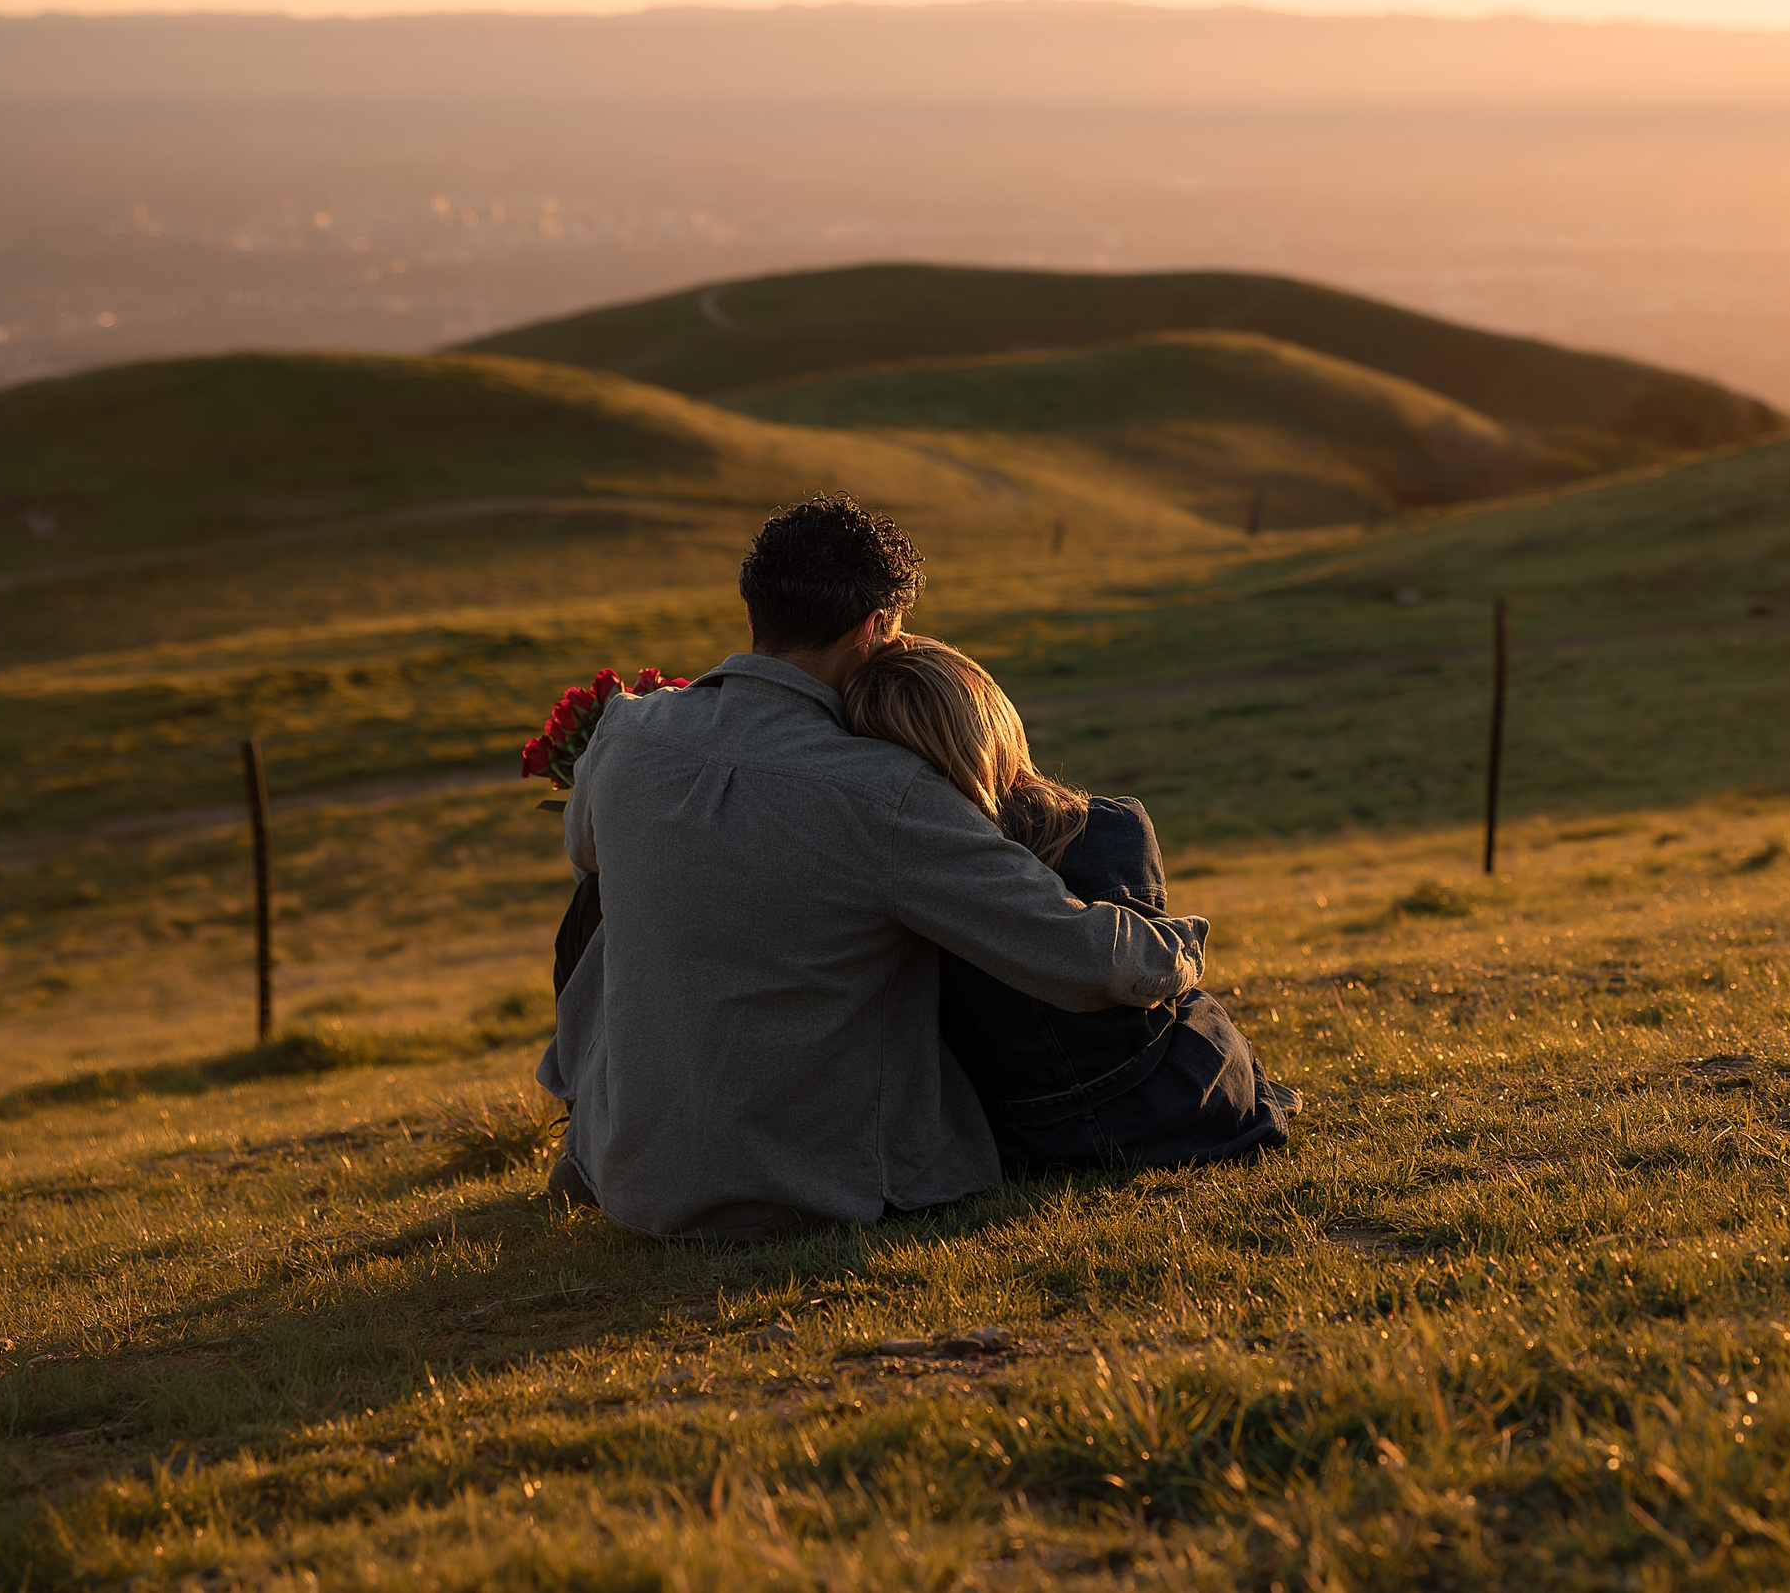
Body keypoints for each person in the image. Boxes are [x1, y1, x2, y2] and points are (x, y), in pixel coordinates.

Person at [536, 495, 1211, 1239]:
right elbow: (1075, 958)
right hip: (814, 1187)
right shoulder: (885, 794)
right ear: (873, 628)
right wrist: (1178, 949)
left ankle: (605, 1133)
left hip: (633, 1177)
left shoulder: (628, 731)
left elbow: (584, 853)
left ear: (753, 610)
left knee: (609, 897)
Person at [842, 636, 1300, 1167]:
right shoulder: (1113, 826)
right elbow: (1150, 995)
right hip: (1166, 1102)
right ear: (993, 724)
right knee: (1192, 1007)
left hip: (1018, 1131)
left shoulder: (905, 871)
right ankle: (1262, 1095)